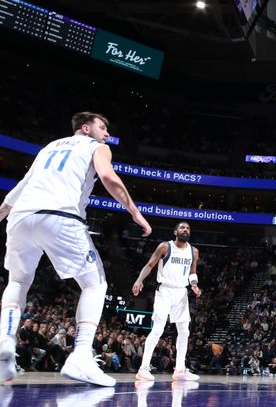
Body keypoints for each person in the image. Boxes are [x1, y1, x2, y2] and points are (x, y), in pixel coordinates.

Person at [0, 112, 152, 386]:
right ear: (86, 128)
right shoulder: (96, 147)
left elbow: (18, 191)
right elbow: (108, 176)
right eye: (102, 127)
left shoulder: (48, 148)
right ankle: (81, 355)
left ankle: (5, 343)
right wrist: (135, 212)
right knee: (95, 284)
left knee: (18, 281)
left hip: (21, 216)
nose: (107, 134)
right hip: (61, 216)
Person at [132, 221, 201, 381]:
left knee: (184, 331)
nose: (185, 230)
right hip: (165, 291)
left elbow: (192, 272)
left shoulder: (194, 251)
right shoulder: (165, 247)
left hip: (181, 292)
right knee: (157, 329)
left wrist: (194, 285)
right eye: (182, 228)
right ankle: (143, 369)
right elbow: (150, 265)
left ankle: (180, 370)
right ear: (175, 232)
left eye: (188, 228)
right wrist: (139, 280)